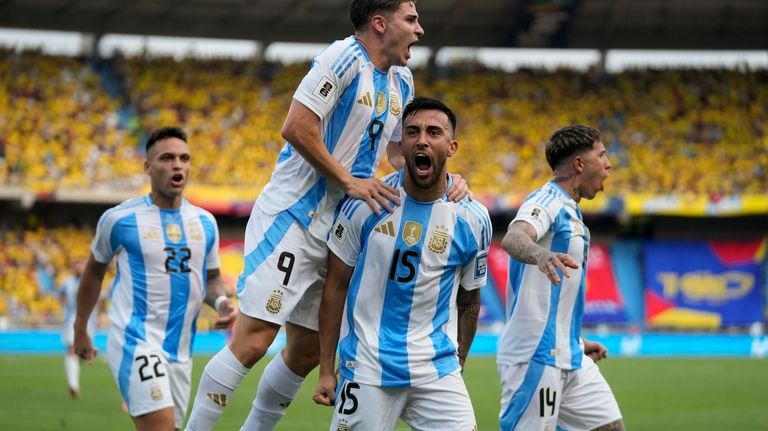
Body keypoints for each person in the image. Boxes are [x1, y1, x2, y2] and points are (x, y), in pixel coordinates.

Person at [186, 2, 467, 430]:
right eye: (410, 20)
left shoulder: (402, 81)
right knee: (254, 340)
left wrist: (446, 178)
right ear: (380, 23)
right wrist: (350, 181)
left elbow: (397, 151)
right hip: (295, 217)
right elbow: (297, 125)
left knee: (304, 352)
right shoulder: (342, 58)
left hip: (339, 227)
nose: (420, 29)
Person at [312, 96, 490, 430]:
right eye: (413, 132)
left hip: (437, 370)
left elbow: (469, 301)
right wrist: (325, 369)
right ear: (403, 145)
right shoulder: (366, 204)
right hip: (367, 368)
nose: (422, 139)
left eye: (434, 132)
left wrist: (459, 363)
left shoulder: (473, 219)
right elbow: (335, 286)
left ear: (452, 147)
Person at [74, 126, 237, 431]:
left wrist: (222, 301)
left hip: (181, 352)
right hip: (135, 341)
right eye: (167, 158)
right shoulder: (119, 220)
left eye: (184, 158)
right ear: (148, 167)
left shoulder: (205, 223)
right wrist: (81, 327)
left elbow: (211, 279)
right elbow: (94, 270)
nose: (178, 164)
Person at [496, 125, 624, 430]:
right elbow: (514, 238)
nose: (608, 164)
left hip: (570, 353)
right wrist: (541, 256)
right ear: (580, 164)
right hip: (536, 355)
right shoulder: (548, 200)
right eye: (602, 155)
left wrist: (574, 339)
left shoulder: (571, 211)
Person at [59, 258, 91, 399]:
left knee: (81, 353)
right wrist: (64, 306)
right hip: (71, 319)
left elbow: (100, 299)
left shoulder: (91, 281)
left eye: (82, 264)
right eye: (77, 264)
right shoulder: (67, 282)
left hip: (89, 321)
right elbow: (61, 295)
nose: (79, 267)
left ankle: (74, 376)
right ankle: (73, 384)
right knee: (72, 349)